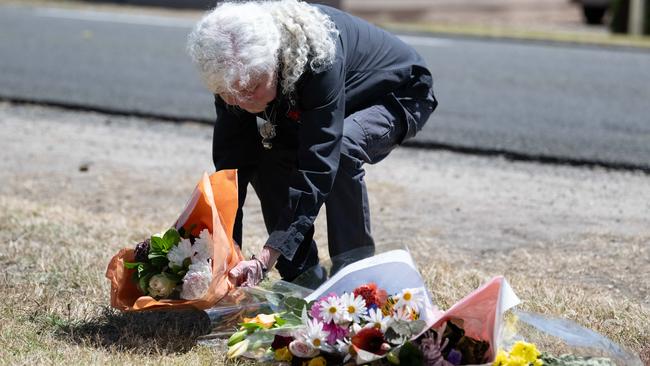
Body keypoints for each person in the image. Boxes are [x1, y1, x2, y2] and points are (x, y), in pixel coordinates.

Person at [187, 0, 437, 288]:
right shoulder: (232, 72)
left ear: (275, 60)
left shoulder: (319, 55)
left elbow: (318, 167)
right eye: (232, 93)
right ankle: (304, 279)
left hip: (398, 93)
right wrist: (221, 255)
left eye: (253, 88)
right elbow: (233, 166)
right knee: (264, 159)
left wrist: (265, 258)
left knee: (342, 151)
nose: (244, 101)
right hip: (327, 98)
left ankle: (354, 279)